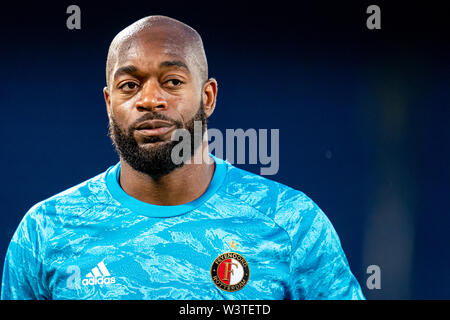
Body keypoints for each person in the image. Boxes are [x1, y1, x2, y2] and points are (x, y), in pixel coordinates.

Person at [1, 15, 365, 300]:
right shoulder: (46, 230)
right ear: (110, 103)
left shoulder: (291, 223)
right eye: (130, 86)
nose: (150, 99)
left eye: (172, 82)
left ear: (207, 97)